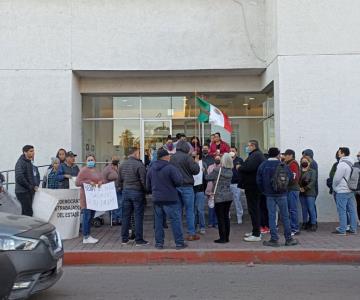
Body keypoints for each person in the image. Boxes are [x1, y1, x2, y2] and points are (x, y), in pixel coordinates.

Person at [256, 147, 299, 247]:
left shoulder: (263, 165)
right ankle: (289, 239)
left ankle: (274, 239)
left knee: (271, 216)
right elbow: (291, 179)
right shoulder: (283, 165)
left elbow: (258, 180)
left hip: (269, 195)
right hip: (282, 194)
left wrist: (264, 191)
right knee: (285, 216)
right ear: (278, 154)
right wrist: (285, 189)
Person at [146, 148, 187, 250]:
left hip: (157, 199)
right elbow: (178, 182)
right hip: (170, 199)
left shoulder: (151, 169)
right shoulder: (170, 168)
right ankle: (179, 243)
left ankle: (159, 244)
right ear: (166, 156)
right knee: (175, 220)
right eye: (168, 155)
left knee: (158, 222)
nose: (170, 157)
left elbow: (147, 186)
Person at [170, 140, 200, 241]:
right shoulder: (188, 157)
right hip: (187, 186)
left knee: (177, 211)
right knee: (189, 211)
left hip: (175, 187)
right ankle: (191, 233)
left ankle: (178, 234)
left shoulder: (172, 157)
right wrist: (196, 161)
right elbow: (195, 171)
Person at [119, 147, 148, 246]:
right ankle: (139, 240)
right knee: (138, 216)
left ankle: (124, 239)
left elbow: (119, 180)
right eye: (139, 153)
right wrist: (147, 191)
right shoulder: (139, 165)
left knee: (125, 216)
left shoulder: (122, 165)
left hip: (126, 192)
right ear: (135, 153)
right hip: (137, 192)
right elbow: (144, 181)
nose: (140, 155)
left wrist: (122, 189)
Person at [238, 140, 265, 242]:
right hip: (252, 187)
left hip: (253, 187)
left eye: (248, 146)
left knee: (254, 210)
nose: (247, 147)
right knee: (253, 210)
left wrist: (239, 167)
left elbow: (249, 168)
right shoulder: (254, 155)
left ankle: (256, 234)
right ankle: (255, 230)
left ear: (253, 146)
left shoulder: (256, 155)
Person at [206, 153, 233, 243]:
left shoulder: (218, 170)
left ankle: (222, 238)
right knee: (226, 217)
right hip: (228, 196)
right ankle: (227, 237)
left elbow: (207, 177)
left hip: (219, 196)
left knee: (220, 218)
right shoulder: (230, 171)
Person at [75, 154, 103, 244]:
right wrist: (88, 182)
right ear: (86, 161)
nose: (90, 161)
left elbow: (101, 179)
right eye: (89, 160)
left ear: (95, 161)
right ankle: (86, 237)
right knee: (87, 217)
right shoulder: (84, 170)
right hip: (86, 197)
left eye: (92, 160)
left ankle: (88, 234)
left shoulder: (96, 170)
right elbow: (77, 182)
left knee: (91, 216)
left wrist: (100, 182)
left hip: (94, 198)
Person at [332, 147, 357, 235]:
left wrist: (334, 187)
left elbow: (337, 178)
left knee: (342, 210)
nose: (338, 154)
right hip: (351, 189)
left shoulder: (342, 164)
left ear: (343, 153)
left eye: (339, 152)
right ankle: (353, 229)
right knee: (352, 210)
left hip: (342, 190)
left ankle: (342, 230)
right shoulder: (352, 162)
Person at [15, 145, 39, 216]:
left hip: (29, 191)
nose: (33, 153)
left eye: (33, 151)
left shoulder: (29, 162)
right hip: (22, 192)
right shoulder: (20, 162)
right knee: (27, 213)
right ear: (25, 152)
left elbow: (34, 176)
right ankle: (26, 227)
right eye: (31, 151)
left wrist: (35, 185)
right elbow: (20, 178)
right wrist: (31, 187)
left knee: (27, 213)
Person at [284, 149, 301, 235]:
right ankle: (292, 227)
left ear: (290, 155)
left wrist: (285, 182)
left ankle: (295, 228)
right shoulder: (288, 163)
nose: (284, 156)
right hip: (290, 189)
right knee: (290, 209)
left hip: (292, 189)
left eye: (286, 155)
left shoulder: (293, 164)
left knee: (292, 209)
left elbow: (294, 177)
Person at [299, 156, 317, 231]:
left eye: (306, 161)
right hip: (301, 192)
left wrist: (305, 188)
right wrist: (299, 188)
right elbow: (295, 180)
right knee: (304, 209)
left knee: (311, 208)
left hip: (310, 192)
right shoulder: (299, 171)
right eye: (302, 161)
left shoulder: (313, 171)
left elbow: (313, 181)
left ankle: (313, 224)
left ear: (309, 162)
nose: (304, 162)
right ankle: (304, 223)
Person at [102, 156, 122, 226]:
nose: (116, 160)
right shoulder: (107, 168)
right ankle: (114, 219)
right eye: (114, 159)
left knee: (119, 204)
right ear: (111, 160)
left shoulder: (119, 167)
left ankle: (119, 219)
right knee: (113, 205)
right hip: (110, 190)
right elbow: (103, 178)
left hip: (118, 189)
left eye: (117, 159)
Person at [193, 151, 207, 234]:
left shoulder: (203, 164)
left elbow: (207, 177)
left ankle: (202, 227)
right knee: (193, 210)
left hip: (200, 189)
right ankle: (194, 227)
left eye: (195, 155)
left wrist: (204, 171)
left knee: (200, 210)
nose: (193, 157)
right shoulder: (190, 163)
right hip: (191, 189)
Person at [205, 155, 220, 228]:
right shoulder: (210, 167)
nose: (217, 159)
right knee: (211, 207)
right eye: (216, 158)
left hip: (218, 189)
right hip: (210, 188)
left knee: (217, 207)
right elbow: (207, 177)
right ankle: (211, 222)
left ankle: (216, 222)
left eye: (219, 158)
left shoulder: (222, 167)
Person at [229, 147, 244, 224]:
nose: (231, 152)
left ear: (236, 152)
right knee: (227, 200)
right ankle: (227, 215)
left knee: (237, 200)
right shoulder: (227, 159)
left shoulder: (240, 160)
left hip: (236, 183)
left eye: (233, 151)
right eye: (230, 151)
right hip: (228, 183)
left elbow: (243, 171)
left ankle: (239, 216)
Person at [355, 151, 360, 224]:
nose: (358, 157)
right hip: (357, 189)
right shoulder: (356, 164)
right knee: (359, 205)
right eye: (358, 155)